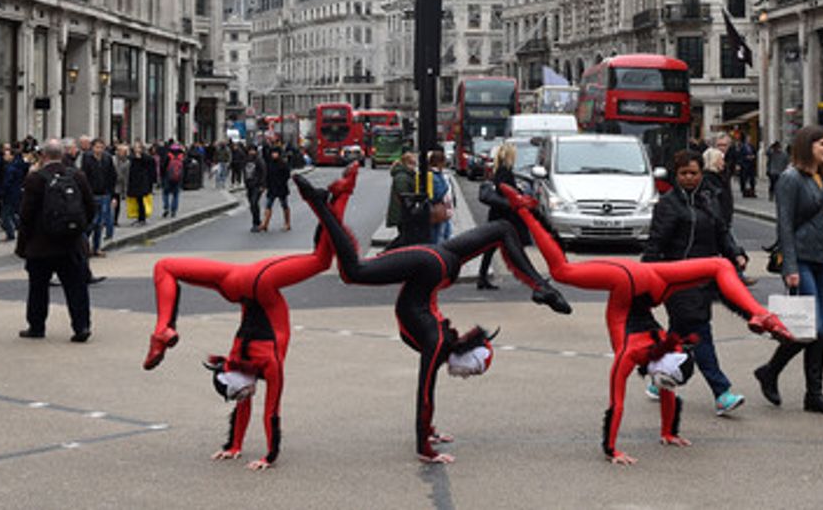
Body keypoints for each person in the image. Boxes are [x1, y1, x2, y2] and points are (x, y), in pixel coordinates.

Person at [496, 181, 789, 463]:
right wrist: (613, 450)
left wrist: (668, 432)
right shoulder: (634, 354)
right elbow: (618, 403)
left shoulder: (666, 346)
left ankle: (759, 313)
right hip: (631, 283)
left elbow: (663, 391)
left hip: (651, 283)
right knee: (561, 271)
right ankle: (523, 208)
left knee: (719, 265)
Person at [296, 171, 572, 463]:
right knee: (353, 272)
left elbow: (427, 397)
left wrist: (430, 430)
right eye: (472, 371)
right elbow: (424, 394)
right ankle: (319, 203)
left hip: (439, 262)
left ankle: (543, 287)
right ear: (466, 359)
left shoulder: (440, 341)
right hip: (430, 265)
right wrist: (425, 449)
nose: (466, 377)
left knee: (502, 229)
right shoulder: (438, 343)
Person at [141, 165, 356, 470]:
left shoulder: (267, 366)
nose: (247, 396)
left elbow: (271, 411)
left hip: (261, 285)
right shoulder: (234, 358)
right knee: (165, 267)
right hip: (237, 283)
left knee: (322, 260)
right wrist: (234, 445)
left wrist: (268, 455)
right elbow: (247, 406)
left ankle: (328, 199)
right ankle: (162, 329)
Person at [642, 149, 748, 415]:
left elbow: (722, 231)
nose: (689, 178)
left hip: (704, 278)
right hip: (677, 279)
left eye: (694, 173)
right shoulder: (667, 205)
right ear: (676, 175)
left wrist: (736, 253)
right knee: (700, 333)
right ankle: (721, 391)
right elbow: (655, 243)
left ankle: (659, 379)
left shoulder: (708, 199)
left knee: (681, 334)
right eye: (684, 174)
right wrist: (646, 281)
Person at [753, 124, 823, 416]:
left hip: (822, 259)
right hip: (802, 259)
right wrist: (789, 266)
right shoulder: (790, 179)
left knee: (819, 326)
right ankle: (811, 392)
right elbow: (785, 225)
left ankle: (774, 373)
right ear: (808, 146)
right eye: (821, 144)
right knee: (813, 327)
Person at [16, 138, 96, 341]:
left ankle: (36, 326)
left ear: (43, 156)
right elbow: (90, 207)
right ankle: (81, 326)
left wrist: (23, 244)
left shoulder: (35, 179)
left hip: (41, 244)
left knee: (38, 287)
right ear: (63, 155)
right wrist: (79, 229)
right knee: (76, 287)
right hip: (71, 243)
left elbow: (26, 214)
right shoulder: (77, 176)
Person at [476, 143, 527, 289]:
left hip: (498, 214)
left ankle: (482, 277)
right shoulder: (505, 171)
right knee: (515, 246)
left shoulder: (499, 169)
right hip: (505, 215)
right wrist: (518, 192)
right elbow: (505, 190)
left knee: (493, 247)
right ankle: (532, 278)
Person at [384, 152, 428, 249]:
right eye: (412, 164)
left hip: (403, 212)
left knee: (405, 236)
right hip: (401, 212)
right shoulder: (402, 177)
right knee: (404, 237)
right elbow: (404, 195)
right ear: (406, 163)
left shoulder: (406, 175)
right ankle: (386, 252)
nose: (414, 166)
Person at [80, 139, 116, 254]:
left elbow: (112, 176)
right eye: (97, 147)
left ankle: (97, 247)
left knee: (100, 223)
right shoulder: (87, 158)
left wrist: (112, 194)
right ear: (92, 148)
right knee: (92, 222)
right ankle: (85, 245)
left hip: (104, 194)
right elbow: (84, 176)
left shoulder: (107, 158)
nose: (99, 150)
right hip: (91, 194)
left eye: (101, 147)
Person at [258, 147, 291, 232]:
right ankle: (265, 223)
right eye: (273, 153)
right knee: (268, 205)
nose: (274, 155)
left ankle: (287, 223)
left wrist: (281, 182)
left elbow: (287, 175)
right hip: (272, 188)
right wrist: (265, 185)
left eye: (276, 153)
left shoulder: (283, 164)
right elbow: (267, 175)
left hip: (281, 188)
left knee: (284, 205)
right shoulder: (269, 164)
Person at [125, 141, 156, 225]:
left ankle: (142, 218)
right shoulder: (131, 157)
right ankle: (138, 217)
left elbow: (151, 170)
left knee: (141, 200)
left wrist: (152, 182)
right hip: (134, 182)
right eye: (135, 147)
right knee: (136, 200)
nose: (137, 149)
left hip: (143, 182)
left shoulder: (147, 158)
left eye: (138, 147)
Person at [427, 149, 453, 244]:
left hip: (442, 210)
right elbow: (437, 194)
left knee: (445, 234)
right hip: (438, 210)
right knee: (439, 237)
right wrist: (446, 185)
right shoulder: (434, 175)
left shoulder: (435, 174)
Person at [161, 142, 186, 218]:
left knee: (165, 193)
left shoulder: (168, 156)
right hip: (178, 179)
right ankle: (174, 210)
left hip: (168, 177)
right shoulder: (182, 156)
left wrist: (162, 175)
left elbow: (163, 166)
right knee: (175, 194)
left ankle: (166, 208)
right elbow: (184, 168)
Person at [244, 146, 266, 232]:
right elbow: (245, 171)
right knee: (251, 204)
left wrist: (263, 185)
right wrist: (245, 182)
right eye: (250, 150)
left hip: (257, 185)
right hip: (249, 185)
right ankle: (257, 220)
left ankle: (256, 223)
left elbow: (263, 172)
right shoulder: (246, 160)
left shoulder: (259, 160)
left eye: (253, 150)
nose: (251, 152)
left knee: (254, 202)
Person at [112, 143, 130, 229]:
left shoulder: (127, 162)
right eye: (121, 151)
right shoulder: (112, 159)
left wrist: (125, 191)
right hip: (111, 184)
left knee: (117, 204)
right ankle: (108, 219)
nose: (122, 153)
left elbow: (126, 177)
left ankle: (115, 220)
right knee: (110, 203)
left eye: (124, 151)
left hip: (119, 186)